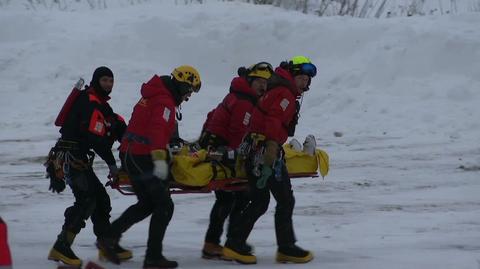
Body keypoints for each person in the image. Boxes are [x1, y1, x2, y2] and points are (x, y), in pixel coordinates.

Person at [223, 56, 317, 264]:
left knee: (260, 201)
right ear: (292, 75)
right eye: (302, 77)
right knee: (284, 200)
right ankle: (285, 247)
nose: (305, 82)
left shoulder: (278, 89)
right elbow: (273, 121)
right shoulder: (285, 94)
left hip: (257, 150)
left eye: (308, 79)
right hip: (265, 153)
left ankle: (235, 242)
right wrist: (271, 154)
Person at [107, 66, 202, 269]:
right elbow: (157, 130)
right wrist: (160, 159)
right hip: (142, 156)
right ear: (182, 85)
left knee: (148, 204)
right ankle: (152, 257)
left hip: (133, 153)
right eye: (189, 91)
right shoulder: (165, 102)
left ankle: (110, 237)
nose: (188, 96)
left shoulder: (156, 94)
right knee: (165, 206)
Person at [47, 66, 130, 266]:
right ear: (96, 81)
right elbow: (97, 141)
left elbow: (114, 123)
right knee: (86, 201)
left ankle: (105, 244)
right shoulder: (90, 102)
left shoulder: (98, 102)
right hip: (70, 157)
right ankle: (61, 247)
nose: (108, 84)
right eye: (104, 80)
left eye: (111, 81)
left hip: (78, 158)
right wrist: (112, 166)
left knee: (100, 200)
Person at [198, 62, 273, 259]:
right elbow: (239, 133)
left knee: (232, 198)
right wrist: (241, 157)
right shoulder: (244, 102)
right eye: (259, 81)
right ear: (250, 81)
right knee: (232, 197)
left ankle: (222, 242)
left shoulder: (240, 96)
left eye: (266, 82)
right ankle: (222, 242)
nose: (263, 86)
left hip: (217, 148)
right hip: (222, 151)